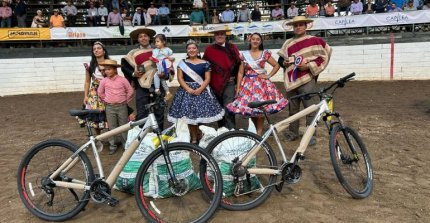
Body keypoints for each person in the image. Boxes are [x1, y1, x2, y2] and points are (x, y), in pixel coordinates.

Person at [277, 16, 332, 145]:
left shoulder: (315, 41)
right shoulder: (288, 43)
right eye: (296, 25)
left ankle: (310, 134)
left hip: (307, 79)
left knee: (310, 108)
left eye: (301, 25)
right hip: (292, 81)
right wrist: (284, 63)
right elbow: (280, 60)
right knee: (293, 109)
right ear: (293, 27)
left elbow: (325, 54)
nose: (298, 27)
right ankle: (293, 132)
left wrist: (308, 66)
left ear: (306, 26)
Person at [227, 33, 288, 136]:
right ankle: (256, 131)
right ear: (250, 40)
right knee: (251, 109)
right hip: (247, 85)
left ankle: (259, 133)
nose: (255, 41)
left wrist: (268, 76)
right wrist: (238, 87)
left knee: (260, 109)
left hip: (261, 85)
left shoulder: (265, 53)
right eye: (253, 39)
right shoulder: (244, 55)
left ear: (260, 42)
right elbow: (240, 72)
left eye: (258, 39)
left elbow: (277, 65)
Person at [168, 40, 224, 144]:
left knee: (201, 116)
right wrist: (188, 89)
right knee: (189, 116)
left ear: (198, 50)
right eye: (189, 48)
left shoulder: (205, 63)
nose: (191, 50)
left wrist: (200, 89)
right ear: (186, 51)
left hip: (202, 91)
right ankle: (193, 137)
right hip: (186, 92)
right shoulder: (182, 63)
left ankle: (200, 134)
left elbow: (207, 78)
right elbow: (180, 78)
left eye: (194, 48)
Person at [121, 28, 167, 130]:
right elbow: (124, 66)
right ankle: (143, 138)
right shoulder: (133, 53)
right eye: (140, 36)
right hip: (141, 86)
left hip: (158, 85)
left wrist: (165, 74)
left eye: (145, 36)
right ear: (137, 39)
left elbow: (167, 65)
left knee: (159, 111)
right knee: (142, 112)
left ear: (149, 38)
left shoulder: (159, 51)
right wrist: (133, 73)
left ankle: (159, 137)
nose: (143, 38)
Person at [203, 26, 241, 129]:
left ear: (225, 35)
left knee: (229, 108)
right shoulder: (209, 50)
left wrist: (238, 84)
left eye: (222, 33)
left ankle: (231, 132)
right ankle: (222, 133)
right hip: (215, 84)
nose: (219, 35)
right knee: (219, 110)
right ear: (214, 36)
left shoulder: (232, 48)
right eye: (217, 34)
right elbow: (204, 67)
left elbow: (239, 65)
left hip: (230, 82)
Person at [98, 59, 134, 155]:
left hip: (122, 106)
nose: (107, 71)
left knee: (124, 126)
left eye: (109, 69)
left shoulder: (123, 80)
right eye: (105, 70)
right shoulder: (104, 81)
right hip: (109, 107)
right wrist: (105, 99)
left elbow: (130, 90)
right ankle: (112, 145)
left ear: (115, 69)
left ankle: (126, 144)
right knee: (112, 126)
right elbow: (100, 92)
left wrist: (125, 100)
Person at [78, 41, 110, 139]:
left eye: (99, 48)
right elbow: (87, 81)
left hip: (108, 91)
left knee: (109, 114)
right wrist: (85, 96)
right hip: (94, 94)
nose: (96, 50)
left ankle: (112, 138)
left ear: (104, 51)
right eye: (94, 49)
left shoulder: (110, 63)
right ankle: (99, 138)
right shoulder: (90, 66)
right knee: (95, 116)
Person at [149, 34, 174, 100]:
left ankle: (157, 89)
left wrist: (172, 59)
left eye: (158, 41)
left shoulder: (167, 49)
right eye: (155, 42)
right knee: (162, 79)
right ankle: (167, 92)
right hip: (159, 65)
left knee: (156, 75)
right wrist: (152, 59)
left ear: (163, 42)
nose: (156, 43)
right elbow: (156, 60)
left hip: (165, 65)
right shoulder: (155, 50)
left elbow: (171, 57)